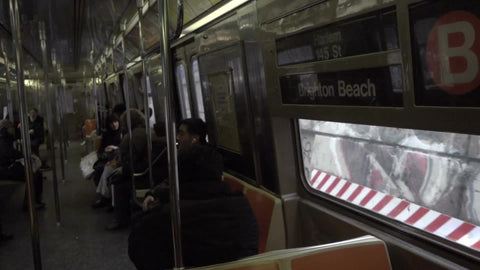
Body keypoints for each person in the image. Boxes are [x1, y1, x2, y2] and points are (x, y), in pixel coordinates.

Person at [128, 118, 259, 269]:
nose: (178, 138)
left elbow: (140, 254)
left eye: (181, 134)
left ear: (180, 177)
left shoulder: (169, 216)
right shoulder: (243, 207)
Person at [0, 119, 44, 209]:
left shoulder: (5, 138)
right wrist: (22, 155)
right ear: (6, 129)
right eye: (11, 127)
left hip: (7, 167)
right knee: (33, 175)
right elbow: (8, 153)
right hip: (5, 169)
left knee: (35, 173)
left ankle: (31, 201)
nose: (13, 129)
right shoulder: (3, 140)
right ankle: (30, 203)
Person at [91, 114, 122, 208]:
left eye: (116, 122)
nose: (114, 125)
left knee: (107, 169)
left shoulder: (123, 133)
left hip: (118, 158)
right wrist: (105, 151)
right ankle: (104, 197)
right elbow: (101, 149)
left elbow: (124, 148)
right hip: (107, 157)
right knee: (98, 168)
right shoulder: (107, 134)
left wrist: (115, 148)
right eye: (112, 123)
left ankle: (106, 198)